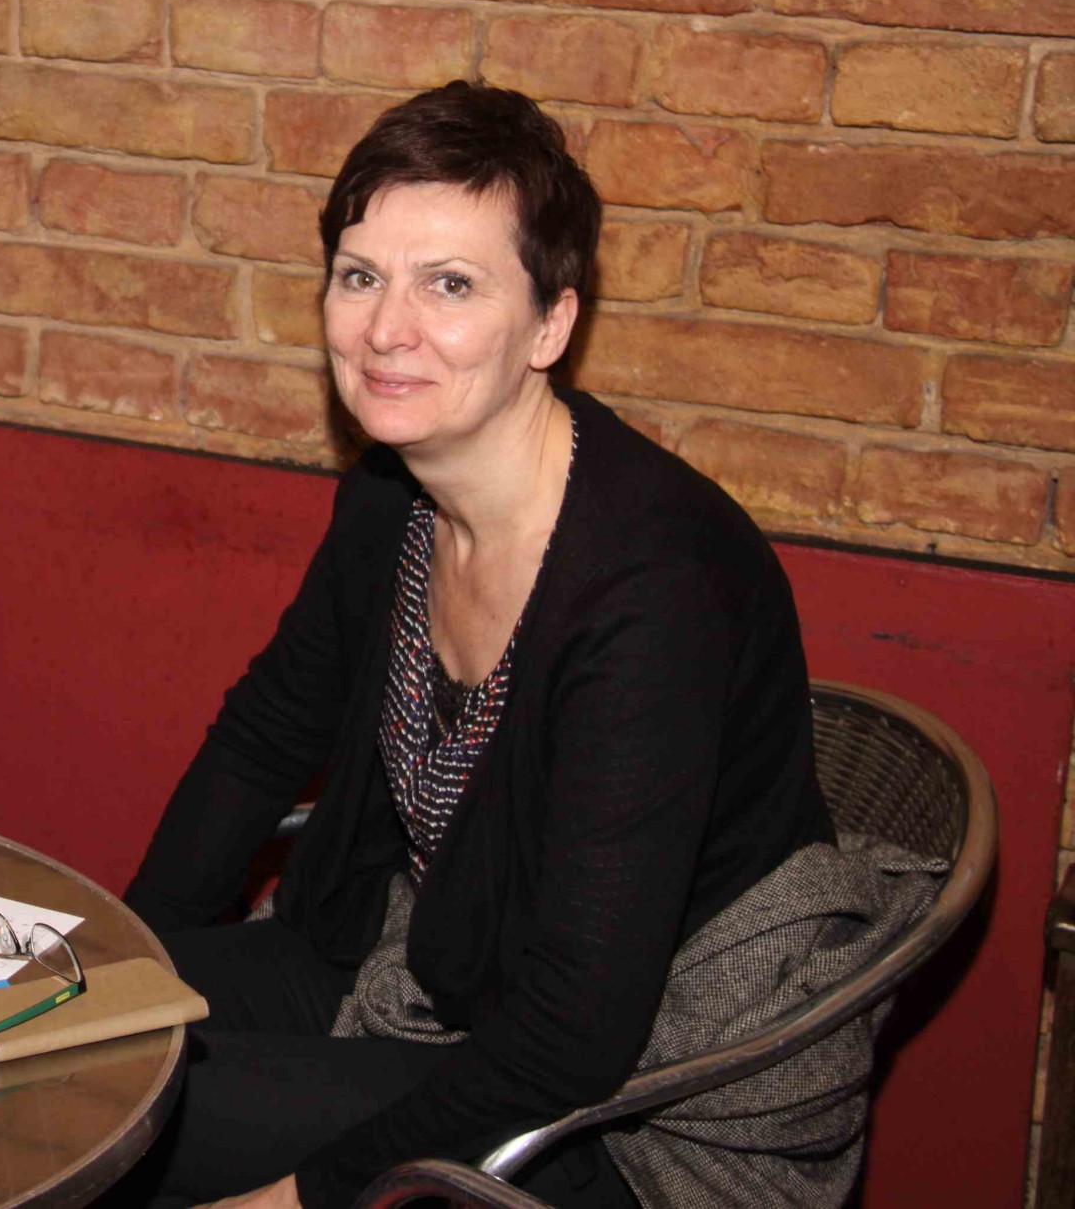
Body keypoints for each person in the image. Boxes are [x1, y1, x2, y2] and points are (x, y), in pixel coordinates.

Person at [116, 82, 846, 1209]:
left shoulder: (651, 587)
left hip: (647, 1101)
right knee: (50, 1052)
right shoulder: (392, 497)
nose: (385, 329)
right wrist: (121, 969)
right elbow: (263, 739)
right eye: (360, 276)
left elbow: (573, 1035)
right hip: (421, 962)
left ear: (551, 324)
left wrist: (299, 1198)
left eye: (449, 284)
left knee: (124, 1122)